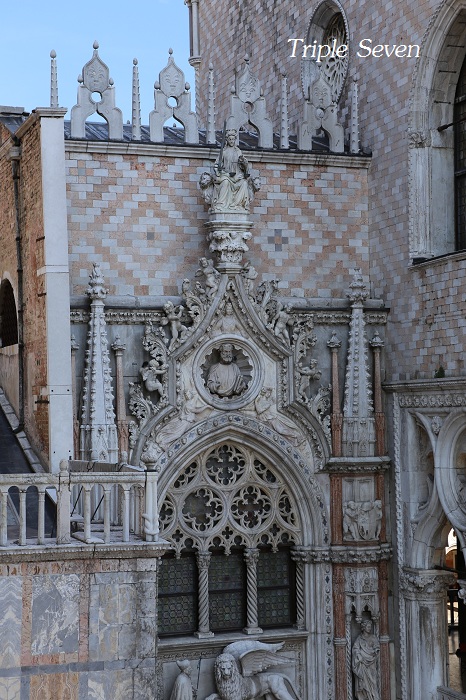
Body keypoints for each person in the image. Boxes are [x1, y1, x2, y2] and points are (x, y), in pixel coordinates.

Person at [212, 129, 251, 212]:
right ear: (227, 140)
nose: (231, 141)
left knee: (244, 183)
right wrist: (219, 169)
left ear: (235, 140)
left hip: (237, 175)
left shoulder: (238, 151)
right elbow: (216, 165)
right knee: (225, 182)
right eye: (230, 139)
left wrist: (243, 163)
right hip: (226, 175)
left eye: (233, 139)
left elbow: (243, 165)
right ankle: (221, 205)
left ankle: (237, 205)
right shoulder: (223, 152)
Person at [352, 619, 380, 700]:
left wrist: (375, 651)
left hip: (371, 663)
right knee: (363, 682)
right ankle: (364, 697)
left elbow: (377, 647)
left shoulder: (373, 637)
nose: (369, 628)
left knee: (373, 681)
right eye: (368, 627)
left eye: (370, 627)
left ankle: (373, 697)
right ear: (363, 628)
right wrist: (359, 655)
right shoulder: (359, 638)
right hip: (362, 664)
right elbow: (355, 649)